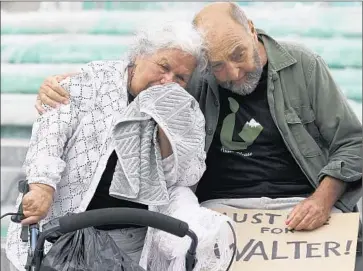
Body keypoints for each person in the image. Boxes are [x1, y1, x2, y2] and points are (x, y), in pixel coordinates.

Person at [36, 2, 362, 232]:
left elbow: (353, 143)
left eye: (239, 55)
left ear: (251, 30)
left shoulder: (303, 64)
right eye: (218, 65)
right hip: (219, 209)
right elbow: (140, 74)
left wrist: (321, 200)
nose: (233, 73)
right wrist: (72, 84)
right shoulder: (193, 75)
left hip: (302, 202)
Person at [6, 20, 234, 271]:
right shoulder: (93, 81)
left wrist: (167, 130)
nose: (167, 80)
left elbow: (186, 177)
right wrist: (42, 187)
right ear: (138, 56)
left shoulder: (183, 109)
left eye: (180, 77)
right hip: (68, 234)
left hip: (136, 240)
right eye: (163, 66)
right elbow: (50, 135)